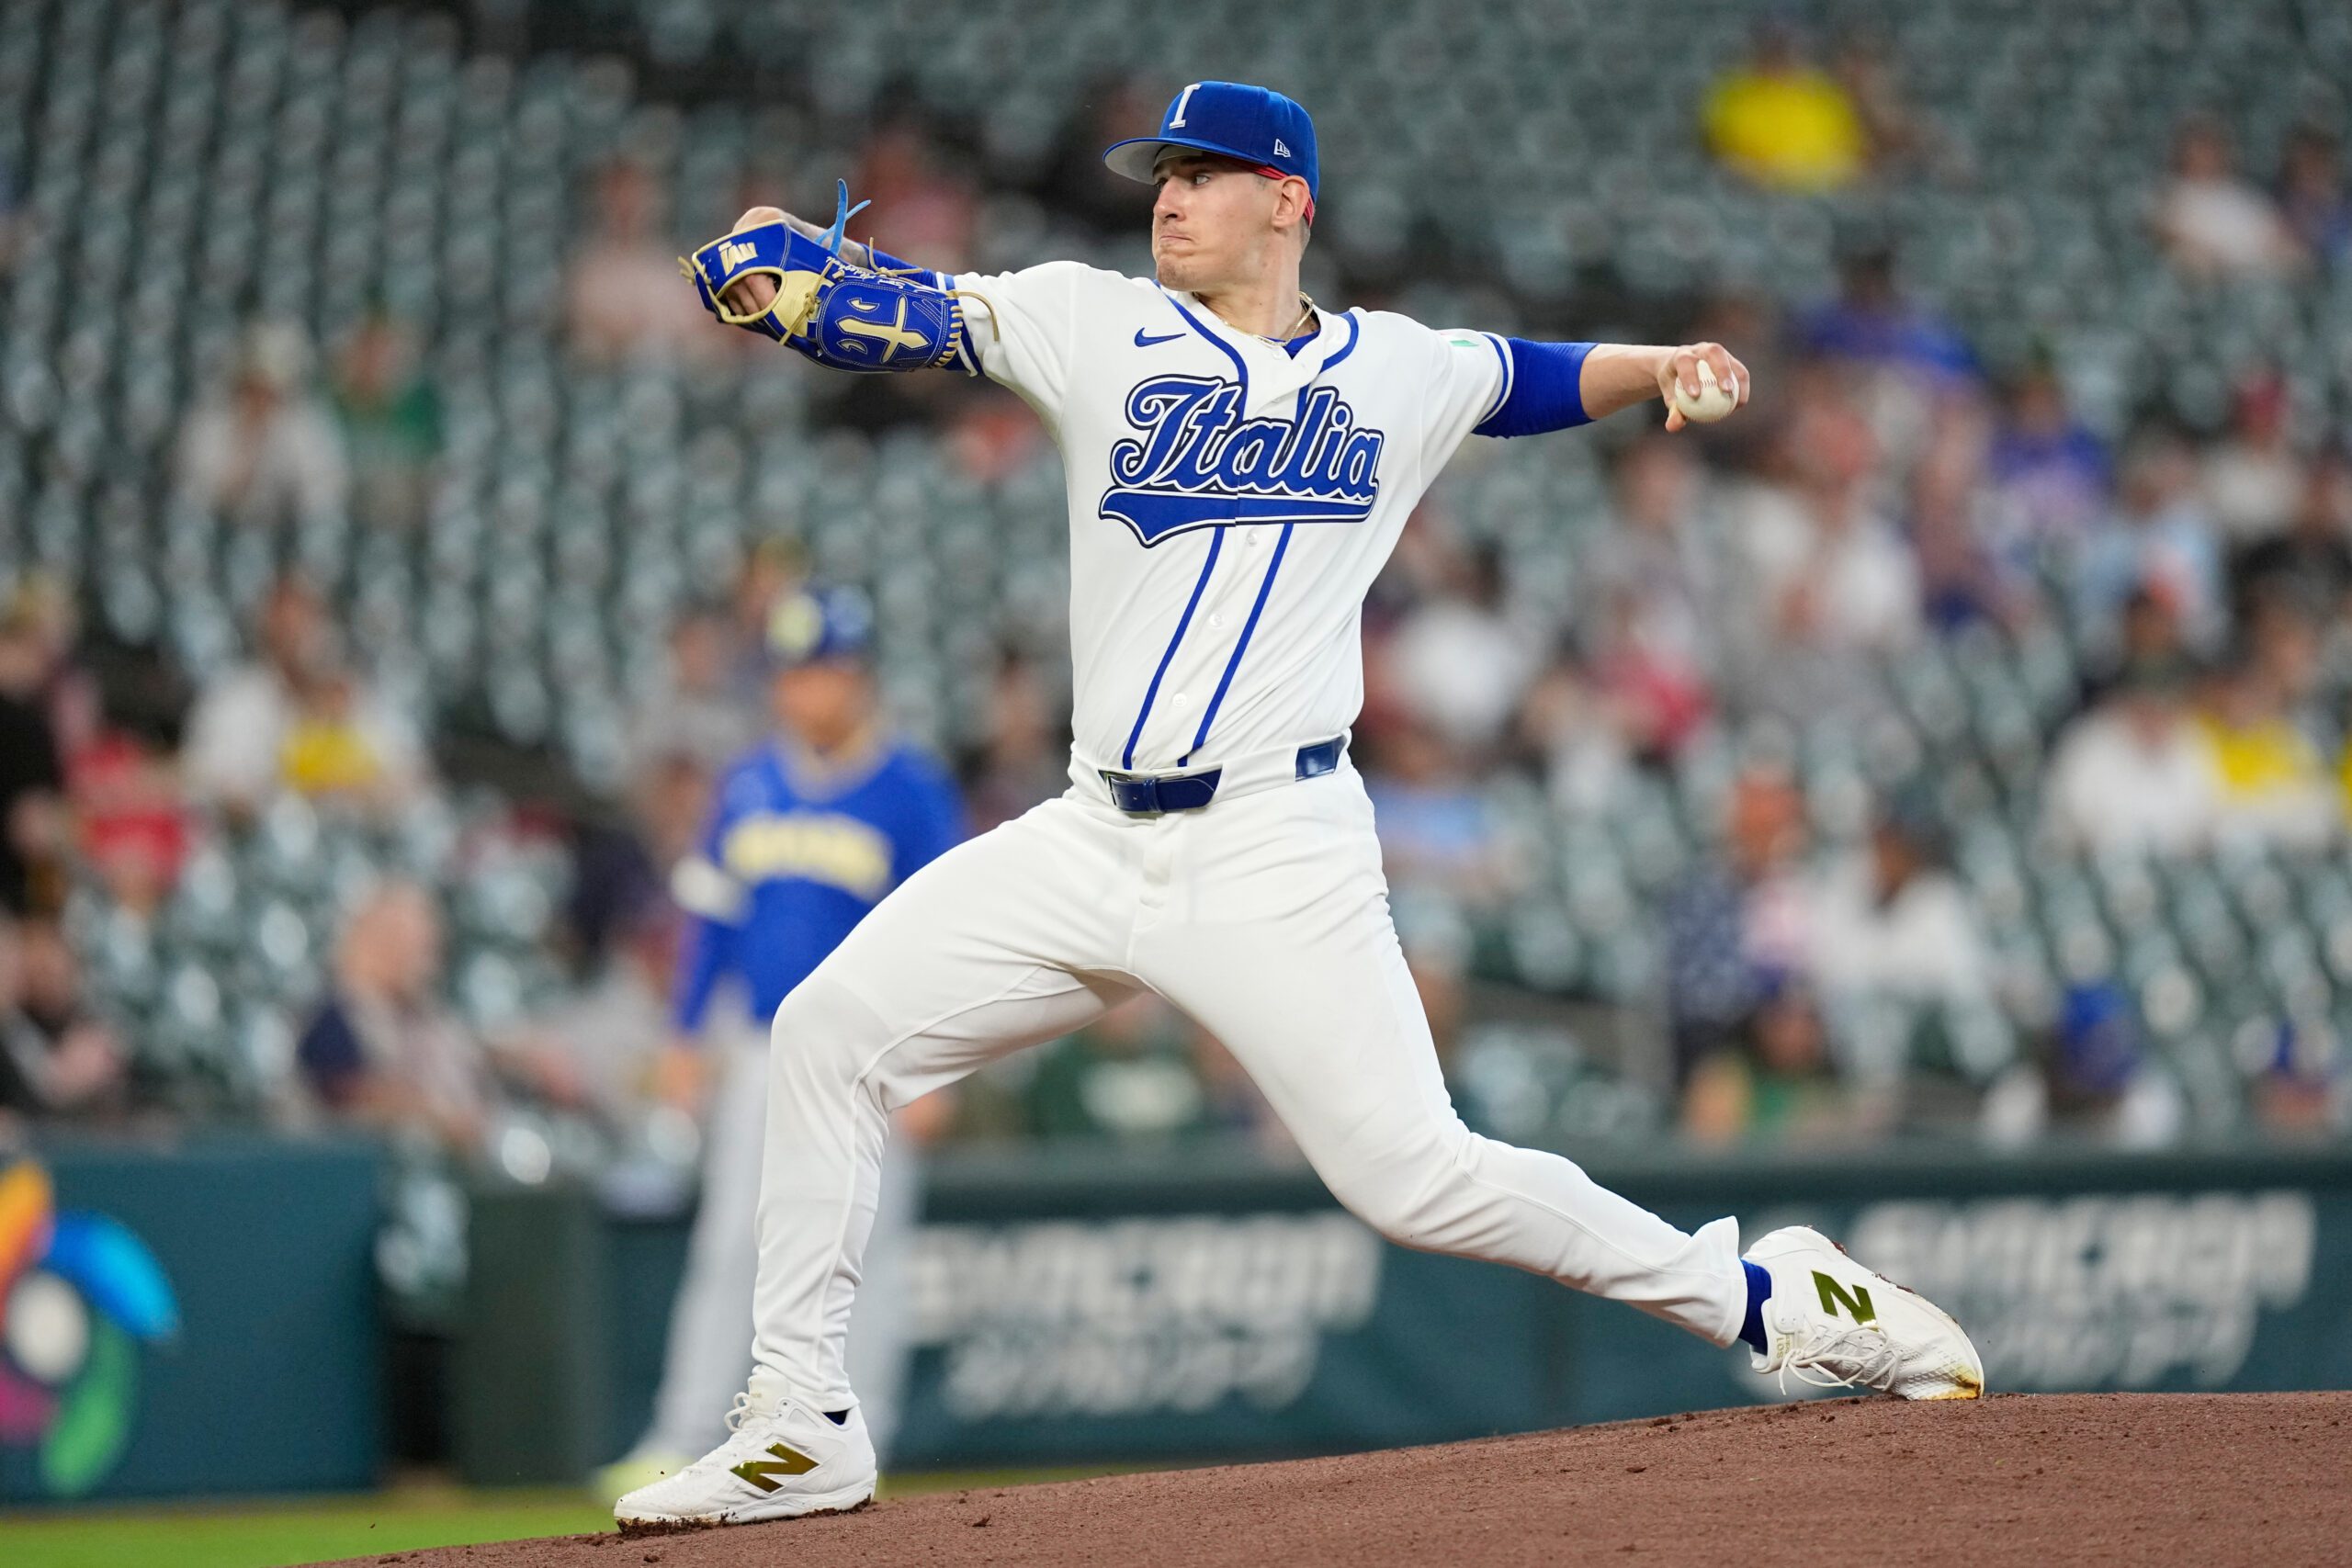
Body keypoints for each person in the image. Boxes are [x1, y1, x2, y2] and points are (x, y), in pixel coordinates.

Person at [628, 81, 1981, 1530]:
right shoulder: (1092, 320)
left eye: (1203, 174)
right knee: (826, 1032)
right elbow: (913, 310)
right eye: (1160, 175)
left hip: (1278, 845)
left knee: (1417, 1176)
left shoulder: (1393, 369)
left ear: (1289, 200)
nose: (1166, 197)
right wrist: (782, 274)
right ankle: (801, 1417)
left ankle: (1771, 1295)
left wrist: (1655, 364)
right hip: (1092, 832)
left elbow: (1519, 374)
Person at [606, 585, 965, 1497]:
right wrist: (685, 1032)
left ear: (858, 678)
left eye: (822, 672)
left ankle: (858, 1436)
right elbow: (711, 918)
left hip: (880, 1053)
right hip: (764, 1046)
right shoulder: (749, 783)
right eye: (792, 674)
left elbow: (950, 937)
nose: (802, 691)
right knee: (733, 1241)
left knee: (868, 1249)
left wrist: (941, 1062)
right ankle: (681, 1432)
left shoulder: (912, 790)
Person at [172, 321, 350, 530]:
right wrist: (246, 446)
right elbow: (192, 490)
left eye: (269, 388)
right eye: (254, 385)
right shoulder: (210, 419)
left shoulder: (306, 424)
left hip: (288, 533)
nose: (261, 397)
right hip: (217, 530)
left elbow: (327, 488)